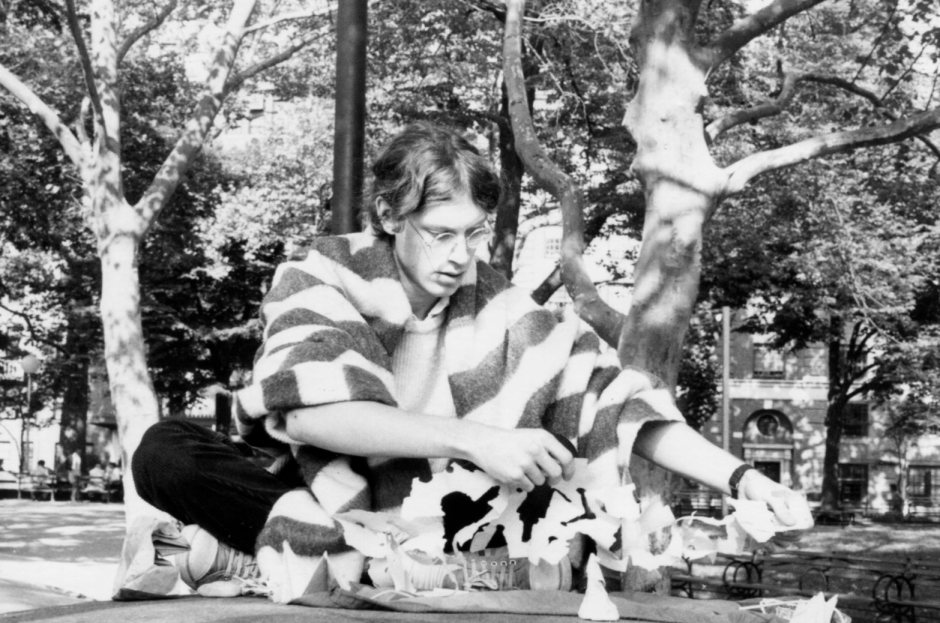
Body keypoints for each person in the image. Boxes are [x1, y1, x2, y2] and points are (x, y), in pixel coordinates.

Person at [132, 122, 810, 602]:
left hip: (437, 515)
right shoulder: (320, 273)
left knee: (551, 497)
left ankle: (290, 556)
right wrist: (475, 438)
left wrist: (744, 478)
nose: (460, 256)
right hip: (319, 485)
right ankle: (331, 542)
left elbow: (615, 401)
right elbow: (311, 414)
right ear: (389, 215)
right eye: (439, 234)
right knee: (165, 450)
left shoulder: (501, 307)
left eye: (474, 234)